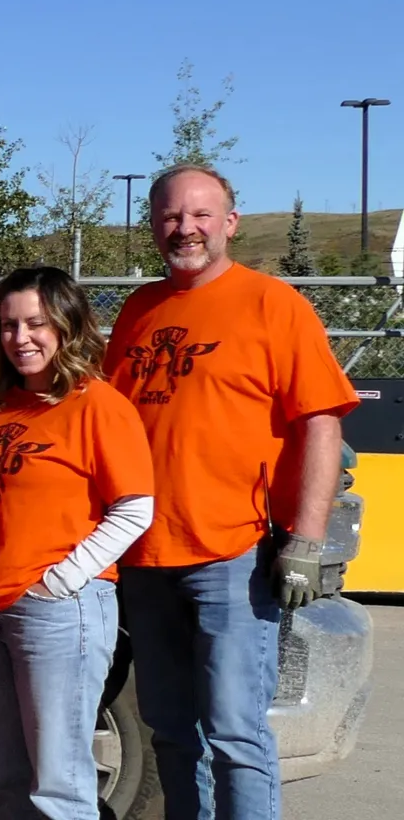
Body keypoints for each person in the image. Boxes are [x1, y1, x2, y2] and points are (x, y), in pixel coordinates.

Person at [104, 165, 358, 820]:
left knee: (236, 734)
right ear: (153, 225)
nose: (183, 228)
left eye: (199, 215)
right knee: (170, 731)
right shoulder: (137, 311)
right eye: (169, 216)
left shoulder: (274, 306)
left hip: (232, 557)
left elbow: (321, 423)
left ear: (230, 223)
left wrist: (305, 537)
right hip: (144, 558)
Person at [0, 268, 154, 820]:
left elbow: (135, 507)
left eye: (36, 323)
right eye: (10, 325)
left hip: (55, 611)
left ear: (68, 326)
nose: (21, 338)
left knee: (59, 788)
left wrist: (63, 577)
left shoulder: (99, 405)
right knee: (10, 779)